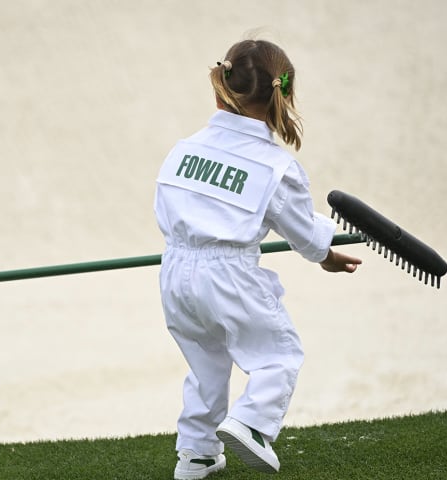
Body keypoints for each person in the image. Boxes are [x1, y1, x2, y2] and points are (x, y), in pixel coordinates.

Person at [154, 38, 363, 479]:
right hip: (228, 272)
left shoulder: (183, 149)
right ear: (282, 97)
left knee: (206, 367)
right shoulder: (275, 165)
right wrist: (323, 252)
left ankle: (197, 454)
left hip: (174, 271)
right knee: (278, 355)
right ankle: (251, 423)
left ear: (220, 91)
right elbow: (302, 230)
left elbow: (166, 207)